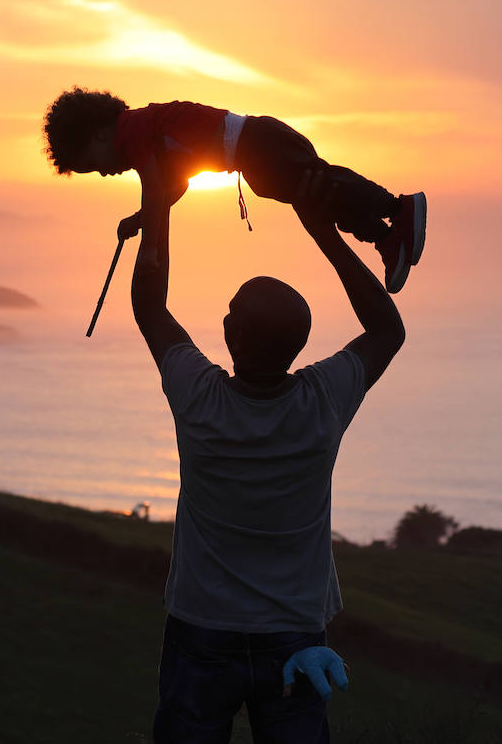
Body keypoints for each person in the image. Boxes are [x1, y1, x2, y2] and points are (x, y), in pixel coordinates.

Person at [132, 165, 402, 743]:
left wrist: (159, 202)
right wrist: (322, 230)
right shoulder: (323, 401)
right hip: (297, 639)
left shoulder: (197, 395)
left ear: (229, 335)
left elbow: (149, 306)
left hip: (201, 628)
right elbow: (386, 330)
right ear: (298, 345)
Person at [43, 87, 426, 293]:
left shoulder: (132, 130)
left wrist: (151, 252)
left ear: (97, 133)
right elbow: (175, 185)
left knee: (323, 185)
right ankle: (386, 237)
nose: (105, 173)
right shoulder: (148, 134)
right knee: (322, 196)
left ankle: (397, 207)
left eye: (93, 164)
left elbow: (156, 189)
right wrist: (141, 219)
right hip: (254, 156)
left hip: (258, 143)